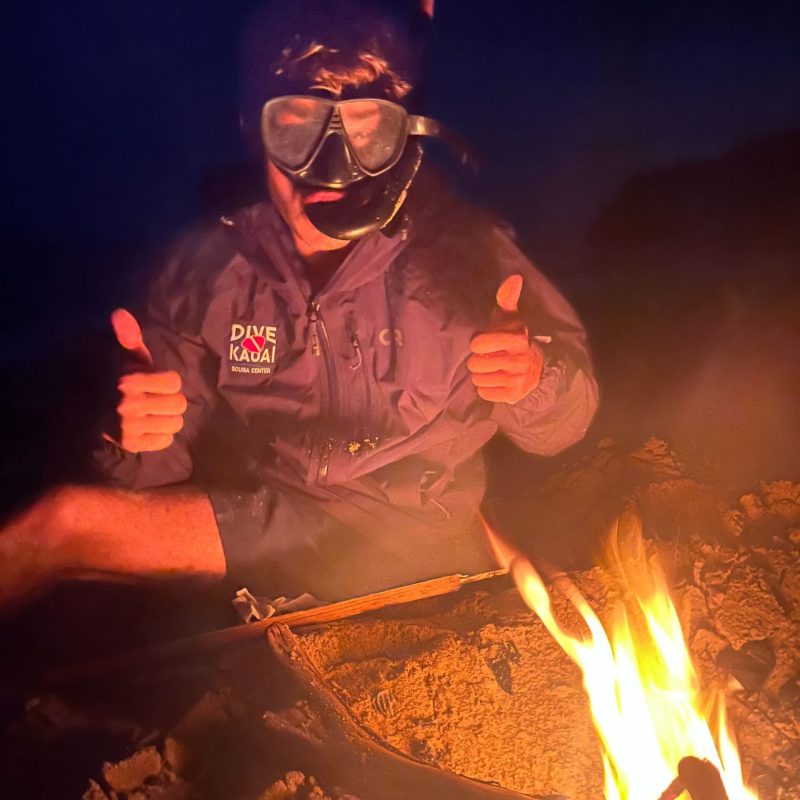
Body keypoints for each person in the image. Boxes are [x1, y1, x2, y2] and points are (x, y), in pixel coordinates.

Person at [0, 0, 598, 609]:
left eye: (364, 129)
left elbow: (565, 425)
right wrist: (128, 430)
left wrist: (532, 381)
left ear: (400, 137)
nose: (327, 168)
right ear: (254, 129)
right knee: (58, 523)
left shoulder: (472, 253)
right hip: (273, 521)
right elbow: (152, 464)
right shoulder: (206, 272)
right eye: (295, 124)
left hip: (423, 533)